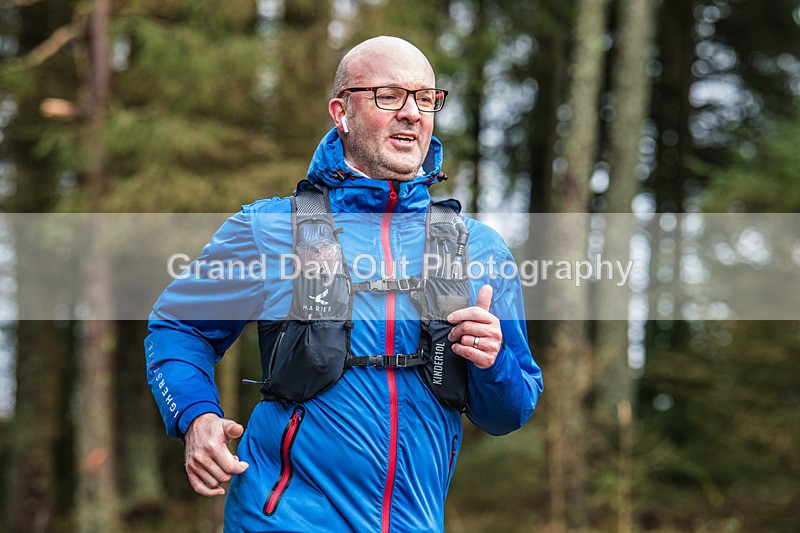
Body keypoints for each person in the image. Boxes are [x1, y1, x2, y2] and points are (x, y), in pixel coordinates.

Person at [146, 36, 543, 532]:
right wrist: (196, 416)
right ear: (342, 112)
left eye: (425, 99)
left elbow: (509, 412)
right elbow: (179, 327)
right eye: (389, 95)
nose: (412, 113)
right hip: (280, 520)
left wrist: (493, 362)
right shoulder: (268, 228)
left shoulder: (479, 249)